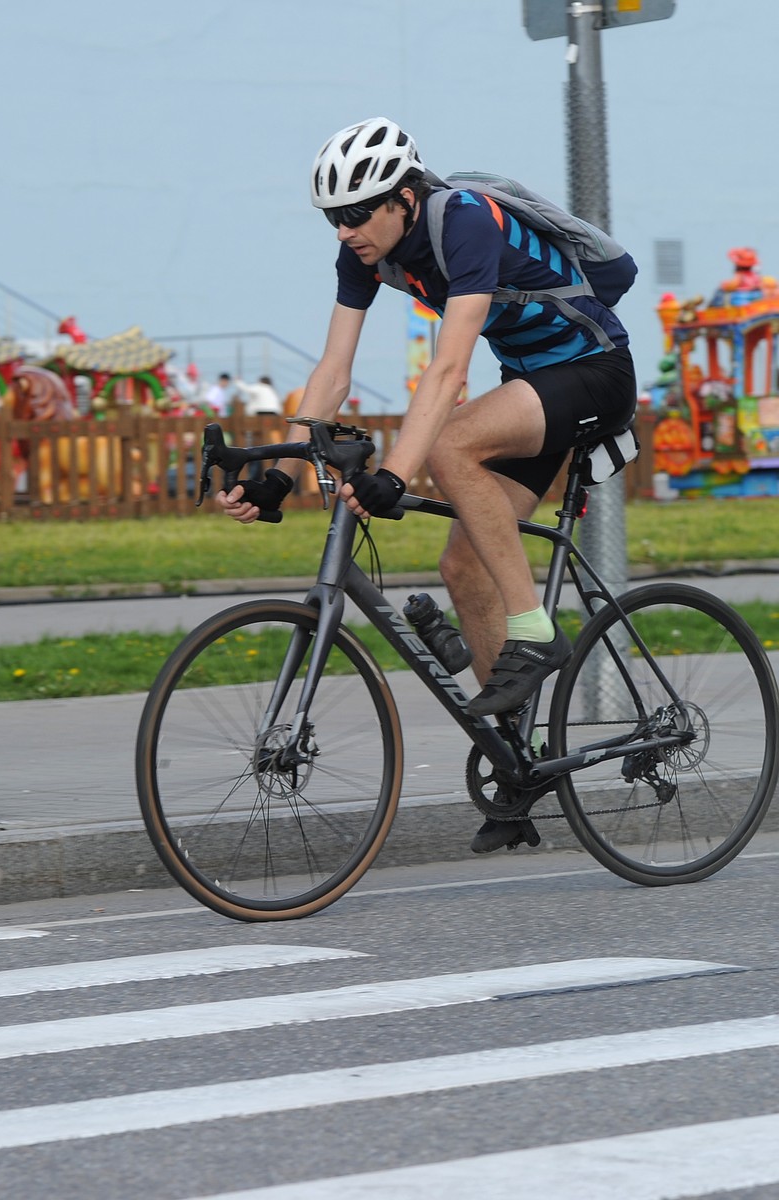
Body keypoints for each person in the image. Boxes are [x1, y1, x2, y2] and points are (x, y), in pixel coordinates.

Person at [216, 116, 637, 853]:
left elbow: (448, 371)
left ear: (404, 198)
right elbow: (332, 374)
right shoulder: (366, 257)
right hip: (533, 386)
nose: (344, 231)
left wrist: (395, 475)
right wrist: (278, 479)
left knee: (449, 445)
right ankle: (518, 769)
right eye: (332, 219)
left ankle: (534, 632)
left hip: (595, 372)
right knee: (461, 562)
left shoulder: (464, 221)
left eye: (356, 214)